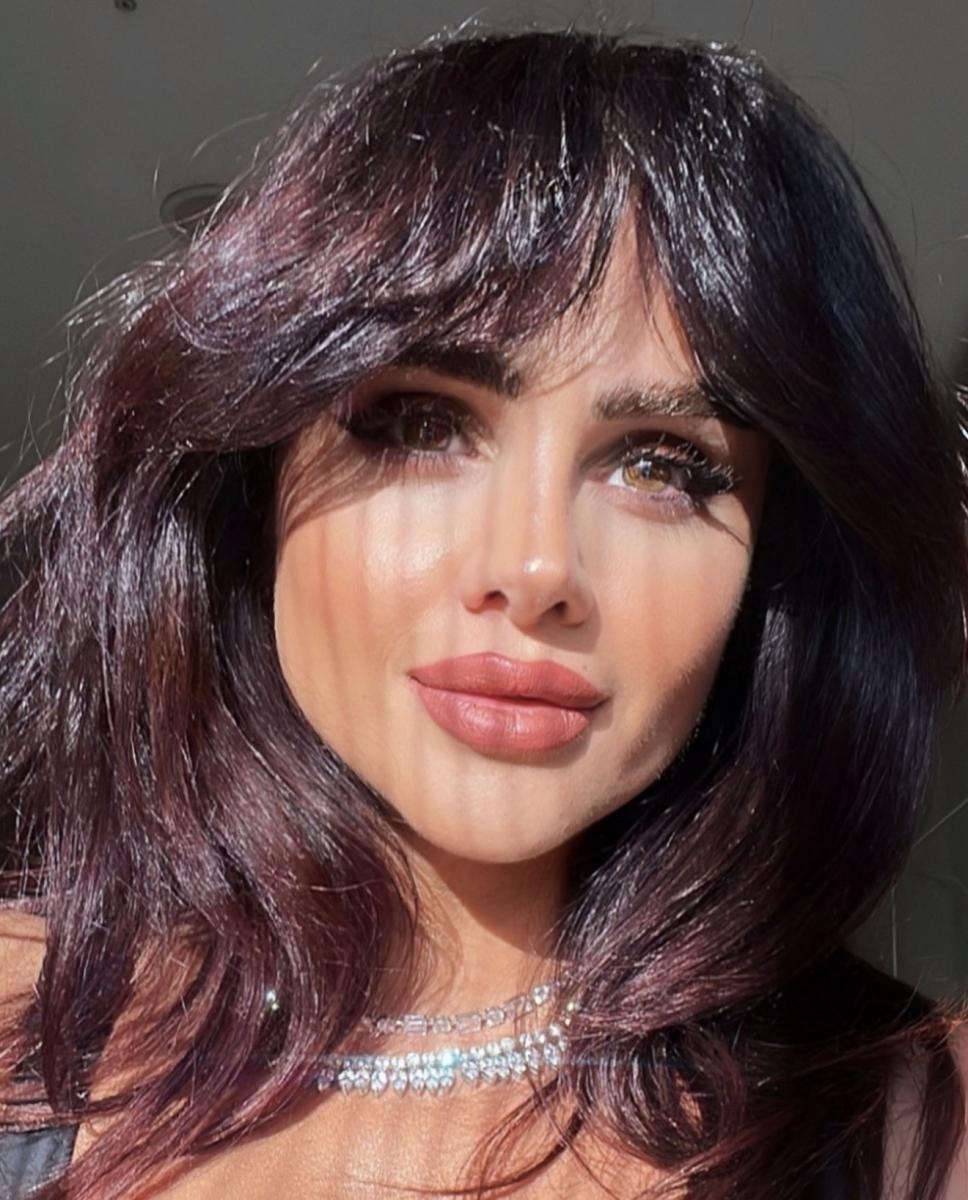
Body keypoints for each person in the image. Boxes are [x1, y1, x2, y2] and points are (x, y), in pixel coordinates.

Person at [0, 22, 965, 1200]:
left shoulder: (919, 1129)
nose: (534, 565)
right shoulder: (21, 1025)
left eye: (661, 463)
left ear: (773, 566)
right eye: (419, 423)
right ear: (250, 487)